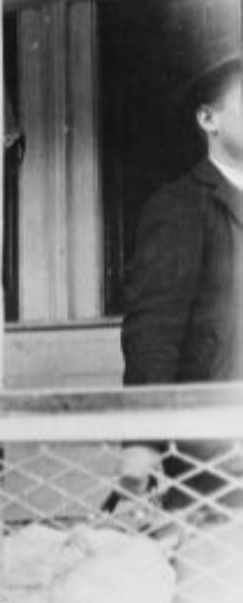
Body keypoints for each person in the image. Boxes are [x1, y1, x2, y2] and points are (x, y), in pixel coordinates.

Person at [119, 28, 243, 519]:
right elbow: (153, 339)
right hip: (215, 472)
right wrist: (140, 456)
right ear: (207, 118)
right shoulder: (180, 208)